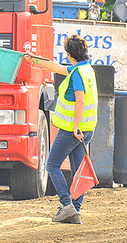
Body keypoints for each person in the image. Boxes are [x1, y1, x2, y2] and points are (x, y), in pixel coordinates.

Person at [23, 34, 98, 224]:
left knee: (52, 165)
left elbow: (80, 101)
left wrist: (74, 127)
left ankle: (66, 205)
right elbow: (56, 67)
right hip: (88, 129)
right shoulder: (85, 69)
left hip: (73, 130)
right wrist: (35, 59)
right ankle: (75, 211)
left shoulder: (77, 74)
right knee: (77, 171)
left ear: (70, 54)